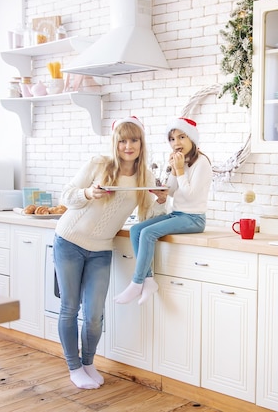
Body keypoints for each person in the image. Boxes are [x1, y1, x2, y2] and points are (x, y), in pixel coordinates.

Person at [52, 116, 166, 390]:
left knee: (94, 314)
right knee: (70, 307)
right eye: (123, 140)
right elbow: (66, 196)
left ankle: (88, 362)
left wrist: (161, 200)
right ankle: (74, 366)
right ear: (115, 142)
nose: (128, 146)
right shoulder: (99, 164)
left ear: (141, 143)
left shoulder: (145, 177)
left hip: (101, 249)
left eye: (134, 140)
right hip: (69, 240)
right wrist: (88, 193)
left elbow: (148, 215)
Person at [114, 117, 212, 305]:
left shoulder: (202, 163)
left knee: (148, 233)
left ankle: (137, 282)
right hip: (178, 214)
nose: (176, 143)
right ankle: (149, 280)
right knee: (136, 230)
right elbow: (174, 191)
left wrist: (180, 170)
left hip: (194, 218)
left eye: (182, 137)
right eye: (172, 139)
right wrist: (171, 176)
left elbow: (190, 195)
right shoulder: (182, 162)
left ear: (192, 139)